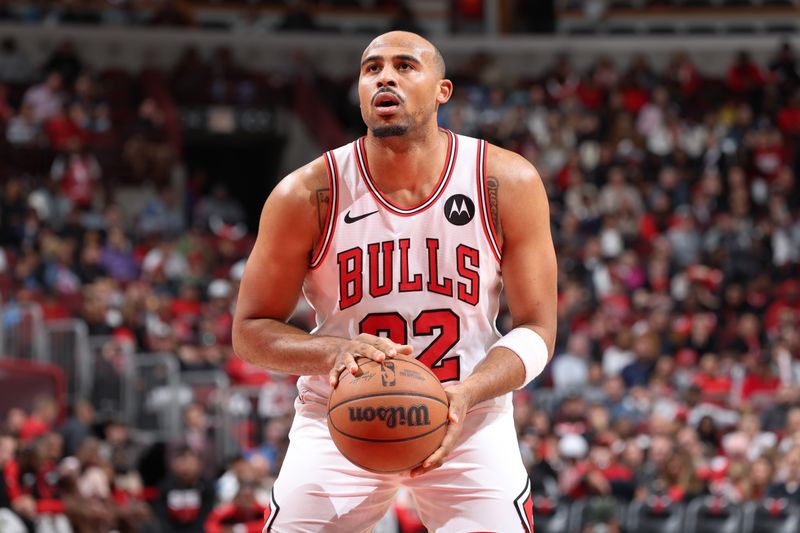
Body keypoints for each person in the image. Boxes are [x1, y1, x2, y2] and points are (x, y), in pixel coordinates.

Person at [232, 31, 557, 532]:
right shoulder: (305, 193)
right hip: (341, 415)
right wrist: (333, 352)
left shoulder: (505, 181)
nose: (385, 76)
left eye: (405, 66)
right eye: (371, 68)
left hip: (467, 420)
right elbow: (249, 329)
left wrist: (469, 392)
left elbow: (538, 329)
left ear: (441, 91)